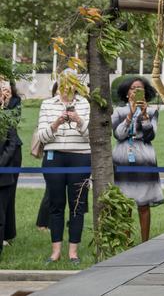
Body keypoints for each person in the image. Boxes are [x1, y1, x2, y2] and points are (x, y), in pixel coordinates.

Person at [35, 75, 90, 264]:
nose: (66, 88)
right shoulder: (47, 104)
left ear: (76, 87)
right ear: (58, 86)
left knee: (77, 205)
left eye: (71, 84)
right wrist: (56, 123)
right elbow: (42, 136)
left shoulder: (84, 104)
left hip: (80, 156)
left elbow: (91, 135)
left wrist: (79, 121)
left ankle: (73, 252)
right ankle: (55, 251)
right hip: (54, 157)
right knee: (56, 204)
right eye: (63, 84)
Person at [112, 76, 164, 242]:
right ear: (127, 92)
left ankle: (145, 242)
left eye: (139, 88)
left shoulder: (151, 111)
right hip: (123, 156)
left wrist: (144, 116)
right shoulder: (118, 111)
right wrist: (129, 116)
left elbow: (151, 135)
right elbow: (118, 134)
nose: (135, 91)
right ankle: (126, 241)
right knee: (125, 202)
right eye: (132, 88)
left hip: (144, 156)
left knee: (143, 203)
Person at [0, 78, 22, 258]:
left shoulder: (14, 102)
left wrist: (5, 103)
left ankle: (7, 233)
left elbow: (11, 135)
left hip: (9, 157)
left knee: (7, 195)